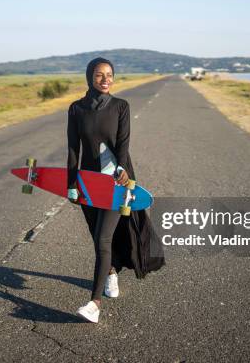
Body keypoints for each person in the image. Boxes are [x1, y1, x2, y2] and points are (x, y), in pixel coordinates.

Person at [67, 57, 165, 323]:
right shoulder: (76, 109)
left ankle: (94, 303)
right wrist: (70, 184)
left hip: (116, 180)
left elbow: (123, 143)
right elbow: (73, 149)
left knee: (102, 239)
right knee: (96, 235)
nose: (106, 79)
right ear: (90, 77)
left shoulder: (120, 106)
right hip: (87, 183)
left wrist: (121, 168)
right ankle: (110, 272)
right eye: (99, 75)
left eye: (109, 74)